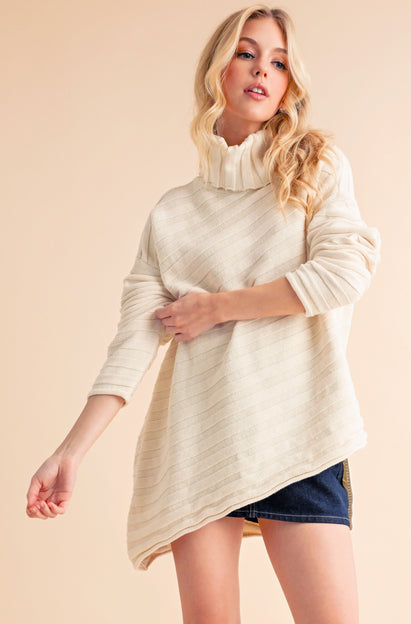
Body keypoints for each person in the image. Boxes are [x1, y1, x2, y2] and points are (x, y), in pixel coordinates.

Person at [26, 4, 381, 623]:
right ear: (218, 69)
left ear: (290, 83)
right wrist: (70, 452)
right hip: (200, 443)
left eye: (279, 62)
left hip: (296, 431)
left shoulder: (314, 168)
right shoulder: (173, 214)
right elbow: (134, 339)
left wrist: (217, 308)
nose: (262, 71)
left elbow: (344, 274)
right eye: (247, 53)